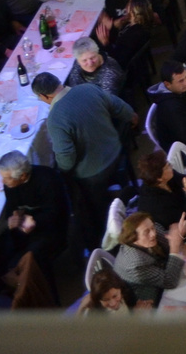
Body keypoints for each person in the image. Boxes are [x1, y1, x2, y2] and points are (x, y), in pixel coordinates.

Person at [34, 71, 135, 250]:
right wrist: (133, 120)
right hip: (115, 151)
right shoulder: (88, 89)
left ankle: (106, 235)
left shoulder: (55, 119)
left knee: (68, 183)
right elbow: (122, 108)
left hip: (95, 173)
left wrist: (63, 171)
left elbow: (66, 159)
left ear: (43, 96)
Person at [0, 150, 70, 293]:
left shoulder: (48, 180)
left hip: (51, 228)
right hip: (25, 227)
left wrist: (35, 220)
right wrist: (12, 217)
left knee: (33, 257)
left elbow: (57, 214)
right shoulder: (10, 185)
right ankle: (3, 291)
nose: (3, 182)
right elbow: (12, 206)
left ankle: (48, 297)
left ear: (23, 176)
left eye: (7, 178)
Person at [113, 211, 186, 307]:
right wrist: (175, 247)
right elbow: (170, 281)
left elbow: (169, 240)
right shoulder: (135, 264)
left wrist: (180, 231)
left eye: (152, 228)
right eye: (147, 232)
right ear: (133, 238)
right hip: (151, 301)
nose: (153, 234)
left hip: (163, 277)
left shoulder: (150, 232)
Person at [133, 151, 186, 234]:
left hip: (184, 214)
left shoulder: (168, 177)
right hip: (172, 235)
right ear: (159, 178)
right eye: (167, 166)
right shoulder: (157, 205)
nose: (171, 166)